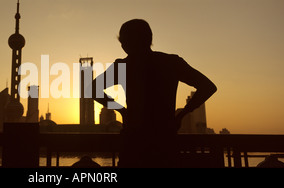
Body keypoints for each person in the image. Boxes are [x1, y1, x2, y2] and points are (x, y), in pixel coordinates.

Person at [89, 19, 217, 167]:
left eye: (124, 42)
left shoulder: (125, 65)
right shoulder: (171, 62)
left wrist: (122, 110)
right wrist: (181, 115)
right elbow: (208, 87)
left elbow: (92, 89)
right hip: (165, 141)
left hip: (134, 142)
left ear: (128, 43)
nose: (123, 46)